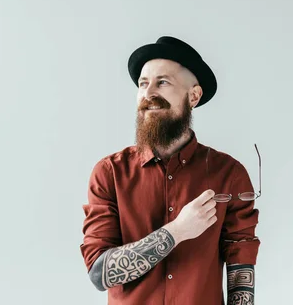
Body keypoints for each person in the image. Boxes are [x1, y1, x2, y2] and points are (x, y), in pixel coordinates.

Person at [80, 36, 260, 304]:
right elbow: (99, 273)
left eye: (163, 82)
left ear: (194, 95)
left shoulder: (229, 175)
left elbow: (240, 269)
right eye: (143, 84)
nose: (148, 93)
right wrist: (177, 231)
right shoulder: (109, 174)